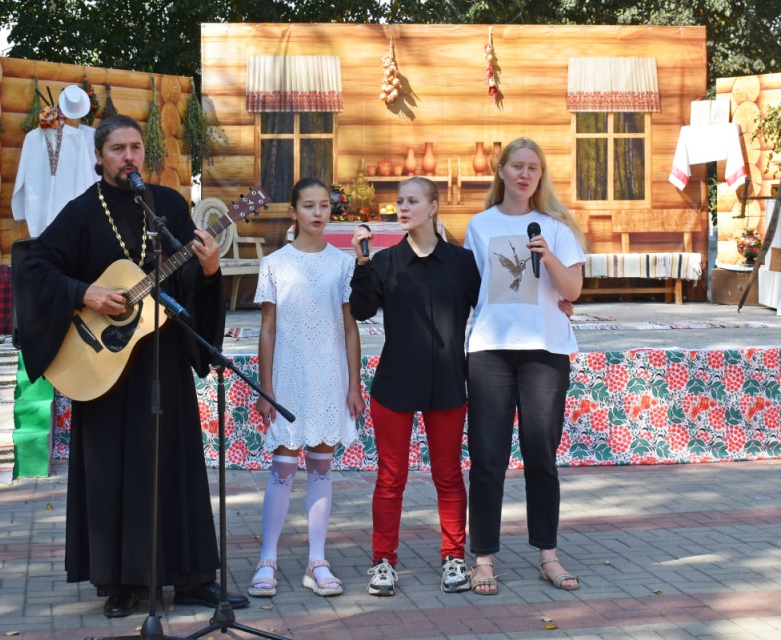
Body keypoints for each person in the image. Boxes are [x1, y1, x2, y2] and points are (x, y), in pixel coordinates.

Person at [14, 115, 249, 618]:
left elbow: (189, 283)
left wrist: (210, 271)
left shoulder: (166, 206)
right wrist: (85, 293)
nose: (129, 157)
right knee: (111, 472)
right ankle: (119, 582)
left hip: (161, 359)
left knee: (175, 465)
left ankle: (189, 578)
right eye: (118, 148)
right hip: (102, 371)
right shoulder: (81, 212)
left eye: (136, 148)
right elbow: (33, 268)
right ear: (99, 157)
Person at [463, 137, 586, 595]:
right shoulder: (479, 225)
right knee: (488, 459)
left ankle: (548, 556)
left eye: (533, 167)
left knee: (541, 456)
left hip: (544, 351)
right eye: (517, 166)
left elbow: (572, 289)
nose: (524, 174)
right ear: (501, 171)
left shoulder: (555, 228)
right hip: (491, 349)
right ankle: (483, 559)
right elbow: (468, 288)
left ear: (540, 176)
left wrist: (547, 256)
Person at [347, 177, 479, 596]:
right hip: (394, 384)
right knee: (390, 477)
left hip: (447, 384)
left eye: (412, 201)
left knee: (448, 474)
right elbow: (364, 309)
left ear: (433, 207)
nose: (403, 208)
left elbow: (493, 306)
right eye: (399, 202)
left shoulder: (461, 262)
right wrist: (362, 265)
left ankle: (454, 558)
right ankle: (383, 562)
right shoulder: (384, 262)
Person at [247, 177, 365, 599]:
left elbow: (350, 327)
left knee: (321, 465)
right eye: (309, 206)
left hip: (330, 375)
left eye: (325, 206)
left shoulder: (343, 263)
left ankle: (318, 560)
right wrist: (266, 388)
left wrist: (353, 383)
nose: (318, 213)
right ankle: (267, 559)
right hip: (289, 375)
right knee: (283, 467)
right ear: (294, 212)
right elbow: (267, 328)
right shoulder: (275, 264)